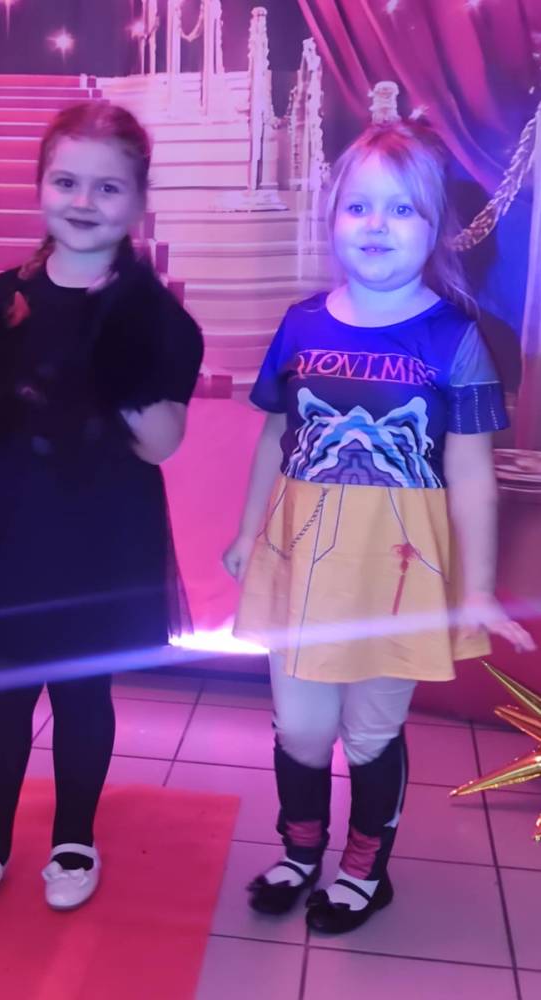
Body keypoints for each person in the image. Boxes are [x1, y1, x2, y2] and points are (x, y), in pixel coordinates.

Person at [223, 121, 536, 934]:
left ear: (435, 228)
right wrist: (247, 532)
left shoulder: (455, 339)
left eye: (402, 209)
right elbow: (274, 435)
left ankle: (365, 870)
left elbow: (473, 475)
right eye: (358, 206)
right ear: (332, 218)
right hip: (302, 565)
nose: (376, 225)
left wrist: (475, 590)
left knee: (369, 734)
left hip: (398, 573)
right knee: (301, 729)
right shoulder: (301, 324)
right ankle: (300, 850)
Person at [0, 102, 203, 918]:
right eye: (67, 181)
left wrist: (119, 363)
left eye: (108, 187)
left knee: (83, 691)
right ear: (41, 186)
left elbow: (162, 443)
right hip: (9, 519)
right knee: (1, 687)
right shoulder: (0, 298)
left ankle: (74, 838)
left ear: (138, 200)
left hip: (103, 530)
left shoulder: (155, 315)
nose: (84, 202)